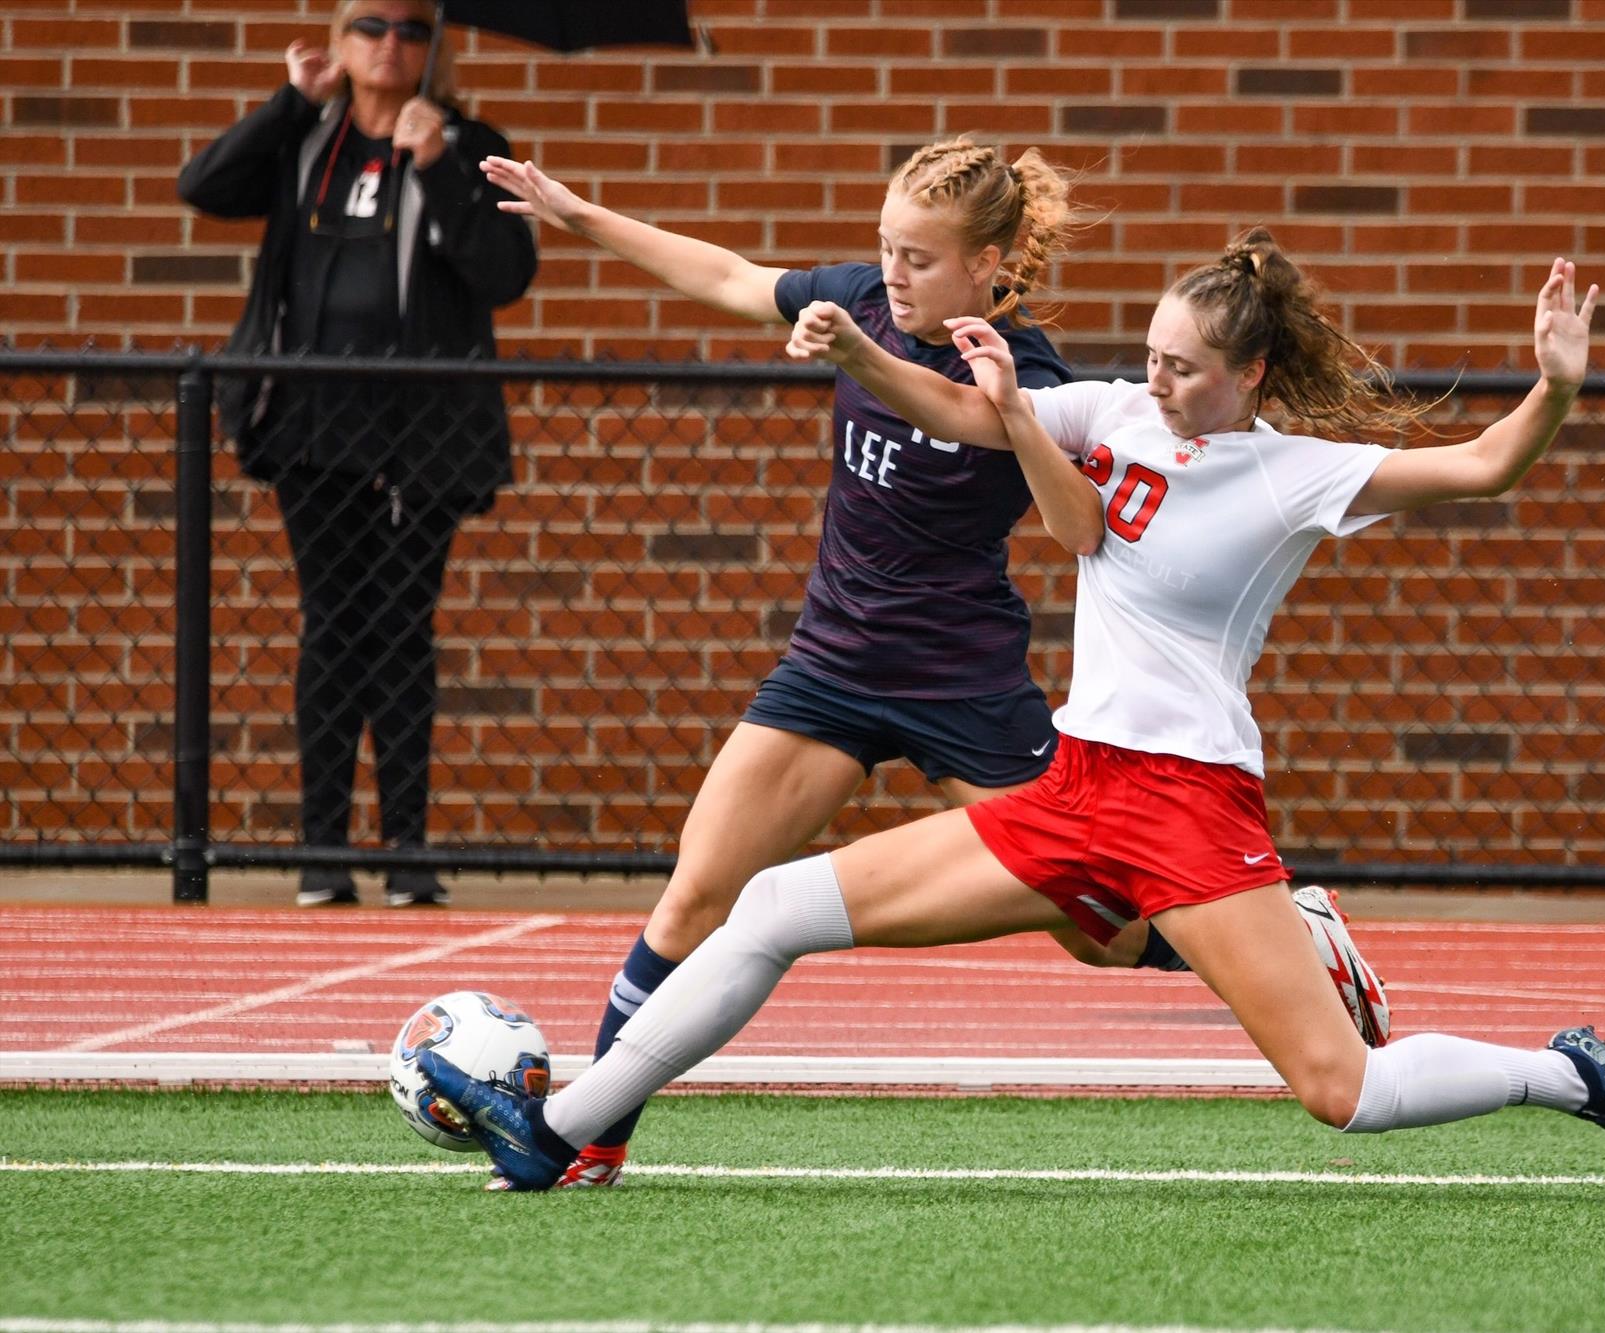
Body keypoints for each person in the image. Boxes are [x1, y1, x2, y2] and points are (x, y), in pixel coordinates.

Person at [424, 234, 1605, 1192]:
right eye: (1145, 353)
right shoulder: (1110, 412)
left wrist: (1554, 390)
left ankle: (1563, 1073)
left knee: (1342, 1092)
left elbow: (1481, 468)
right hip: (1072, 789)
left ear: (1248, 372)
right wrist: (871, 351)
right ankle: (562, 1128)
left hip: (1190, 806)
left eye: (1184, 366)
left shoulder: (1297, 474)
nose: (1153, 379)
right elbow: (967, 417)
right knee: (769, 906)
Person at [471, 146, 1381, 1186]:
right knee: (695, 894)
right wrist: (573, 209)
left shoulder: (1025, 375)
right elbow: (724, 275)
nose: (890, 272)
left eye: (916, 257)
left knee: (1105, 933)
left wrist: (862, 356)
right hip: (830, 666)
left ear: (987, 266)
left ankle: (1297, 941)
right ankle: (595, 1135)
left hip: (964, 684)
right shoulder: (860, 299)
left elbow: (1044, 495)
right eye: (883, 249)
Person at [177, 1, 536, 907]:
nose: (390, 43)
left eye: (412, 29)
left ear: (433, 47)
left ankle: (407, 849)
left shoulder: (467, 140)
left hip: (428, 430)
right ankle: (323, 848)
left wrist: (440, 165)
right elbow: (204, 185)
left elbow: (507, 273)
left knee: (403, 624)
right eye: (369, 25)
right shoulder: (308, 139)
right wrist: (289, 105)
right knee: (333, 621)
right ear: (337, 42)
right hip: (312, 424)